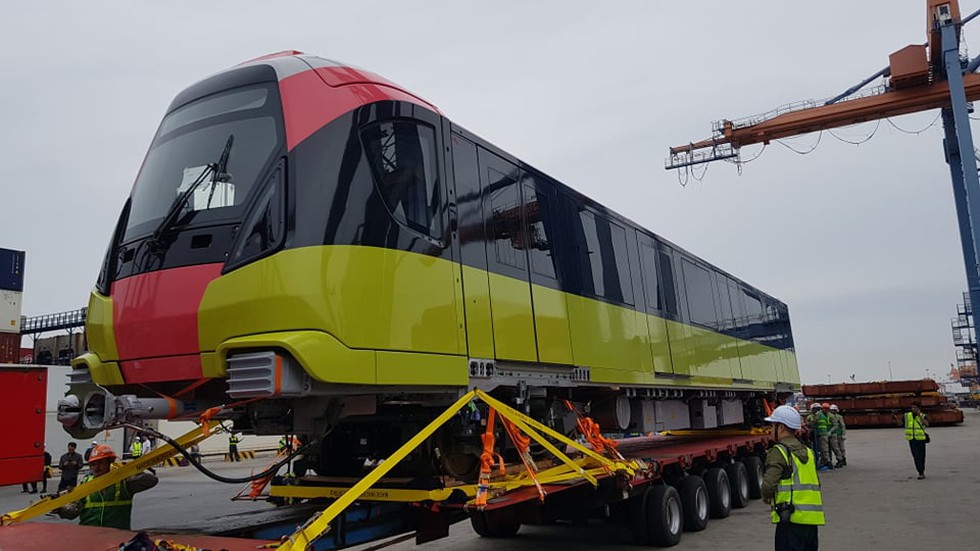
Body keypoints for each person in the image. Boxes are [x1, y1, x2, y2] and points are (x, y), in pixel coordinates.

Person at [762, 405, 825, 551]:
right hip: (811, 522)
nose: (770, 430)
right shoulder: (808, 452)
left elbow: (768, 484)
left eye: (773, 426)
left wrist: (766, 497)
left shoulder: (778, 451)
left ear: (782, 428)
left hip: (790, 519)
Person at [56, 444, 158, 530]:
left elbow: (151, 481)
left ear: (110, 463)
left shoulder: (124, 483)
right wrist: (61, 509)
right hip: (89, 537)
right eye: (93, 464)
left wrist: (129, 472)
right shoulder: (86, 484)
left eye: (101, 463)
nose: (96, 467)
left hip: (116, 539)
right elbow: (73, 511)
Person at [904, 403, 929, 479]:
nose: (913, 409)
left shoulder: (923, 415)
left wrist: (920, 417)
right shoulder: (907, 416)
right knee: (916, 456)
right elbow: (900, 423)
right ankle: (920, 472)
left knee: (922, 456)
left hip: (921, 439)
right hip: (912, 439)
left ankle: (922, 471)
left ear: (918, 409)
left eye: (915, 408)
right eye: (912, 408)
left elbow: (927, 424)